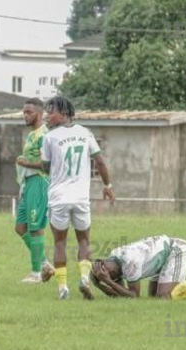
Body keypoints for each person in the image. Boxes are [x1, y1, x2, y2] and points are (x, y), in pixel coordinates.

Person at [40, 96, 115, 300]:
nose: (47, 115)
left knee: (59, 244)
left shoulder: (50, 137)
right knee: (84, 240)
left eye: (51, 111)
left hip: (58, 197)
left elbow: (46, 167)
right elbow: (99, 162)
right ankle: (83, 278)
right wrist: (107, 186)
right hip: (81, 198)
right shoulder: (85, 133)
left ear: (64, 114)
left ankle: (63, 287)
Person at [90, 235, 186, 299]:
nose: (113, 280)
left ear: (111, 271)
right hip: (161, 259)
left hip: (177, 250)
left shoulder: (129, 262)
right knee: (153, 299)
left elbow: (133, 296)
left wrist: (107, 281)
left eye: (110, 277)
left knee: (164, 297)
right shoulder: (113, 258)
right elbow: (121, 295)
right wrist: (99, 285)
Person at [14, 98, 54, 283]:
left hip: (39, 183)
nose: (25, 115)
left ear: (38, 113)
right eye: (24, 112)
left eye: (28, 112)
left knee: (36, 228)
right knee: (20, 227)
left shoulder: (45, 135)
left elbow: (48, 164)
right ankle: (45, 263)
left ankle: (36, 273)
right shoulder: (31, 135)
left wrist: (26, 162)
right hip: (28, 183)